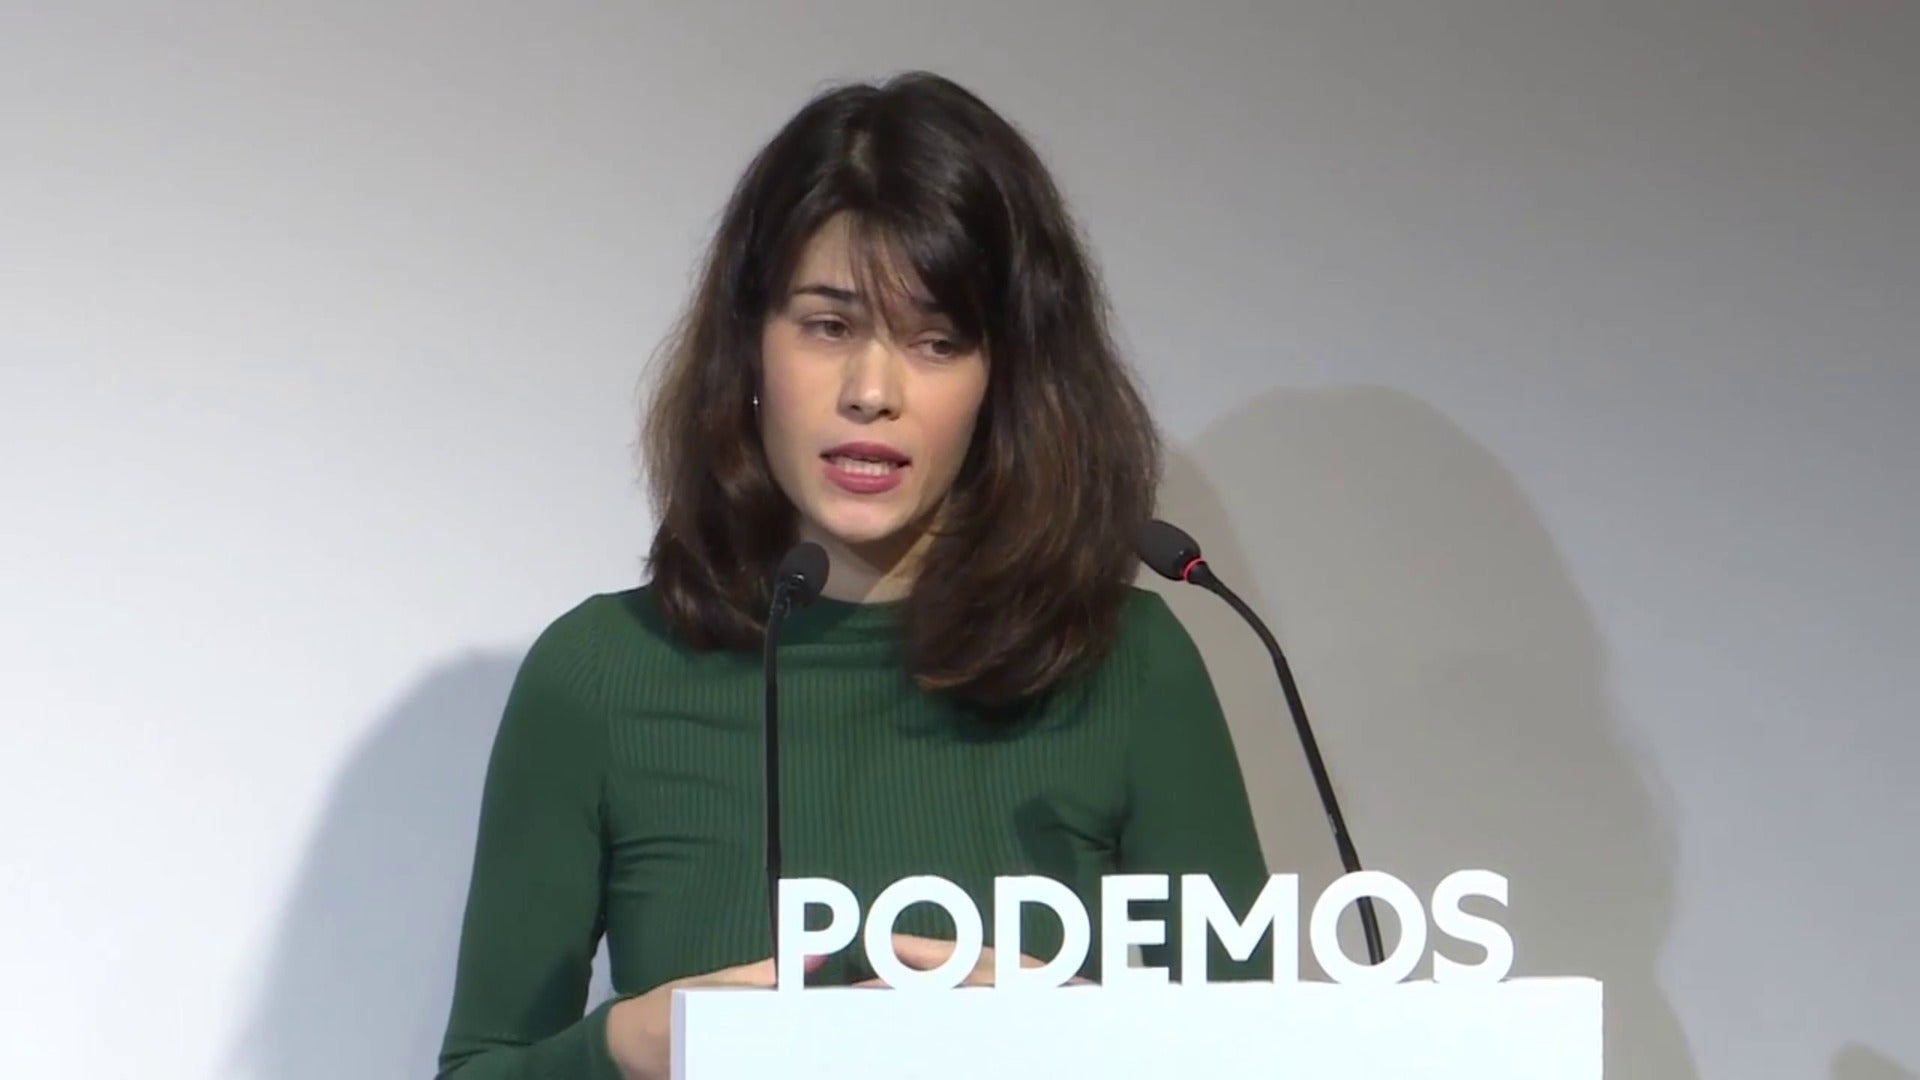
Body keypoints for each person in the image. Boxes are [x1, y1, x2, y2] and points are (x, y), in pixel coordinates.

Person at [434, 70, 1272, 1080]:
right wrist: (632, 1044)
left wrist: (1085, 1037)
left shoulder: (1128, 666)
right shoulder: (599, 676)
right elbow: (481, 1066)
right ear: (750, 347)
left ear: (1004, 380)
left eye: (937, 341)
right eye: (828, 326)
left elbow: (1262, 1057)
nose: (873, 391)